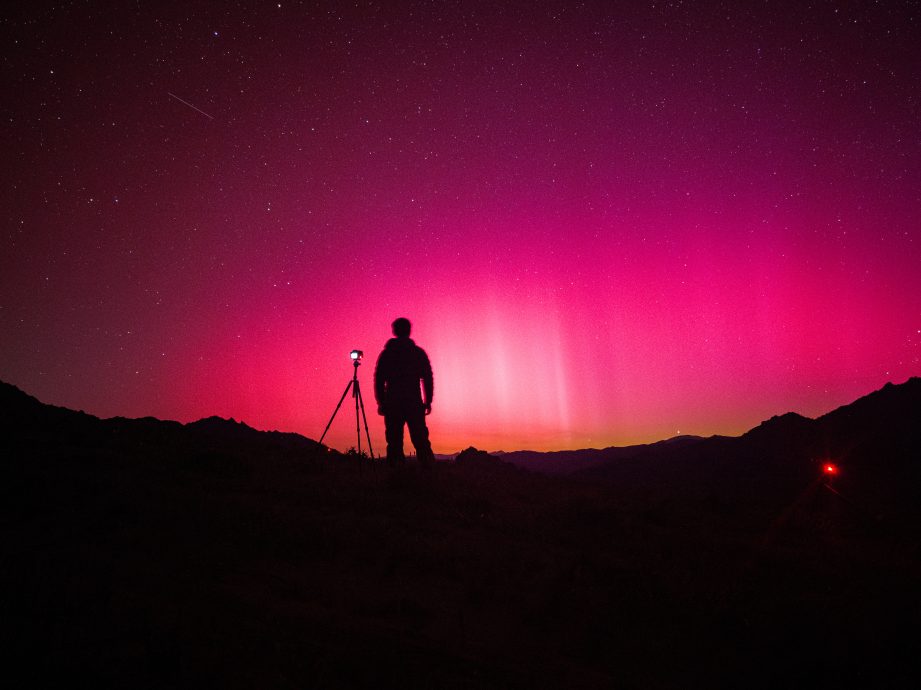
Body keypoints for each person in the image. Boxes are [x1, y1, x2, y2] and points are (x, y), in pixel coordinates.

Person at [374, 317, 434, 467]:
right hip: (413, 402)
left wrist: (382, 402)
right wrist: (428, 401)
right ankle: (430, 477)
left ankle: (396, 478)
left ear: (394, 331)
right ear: (409, 330)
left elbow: (379, 380)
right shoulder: (418, 353)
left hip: (393, 403)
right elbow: (427, 378)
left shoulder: (387, 354)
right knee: (421, 440)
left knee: (394, 443)